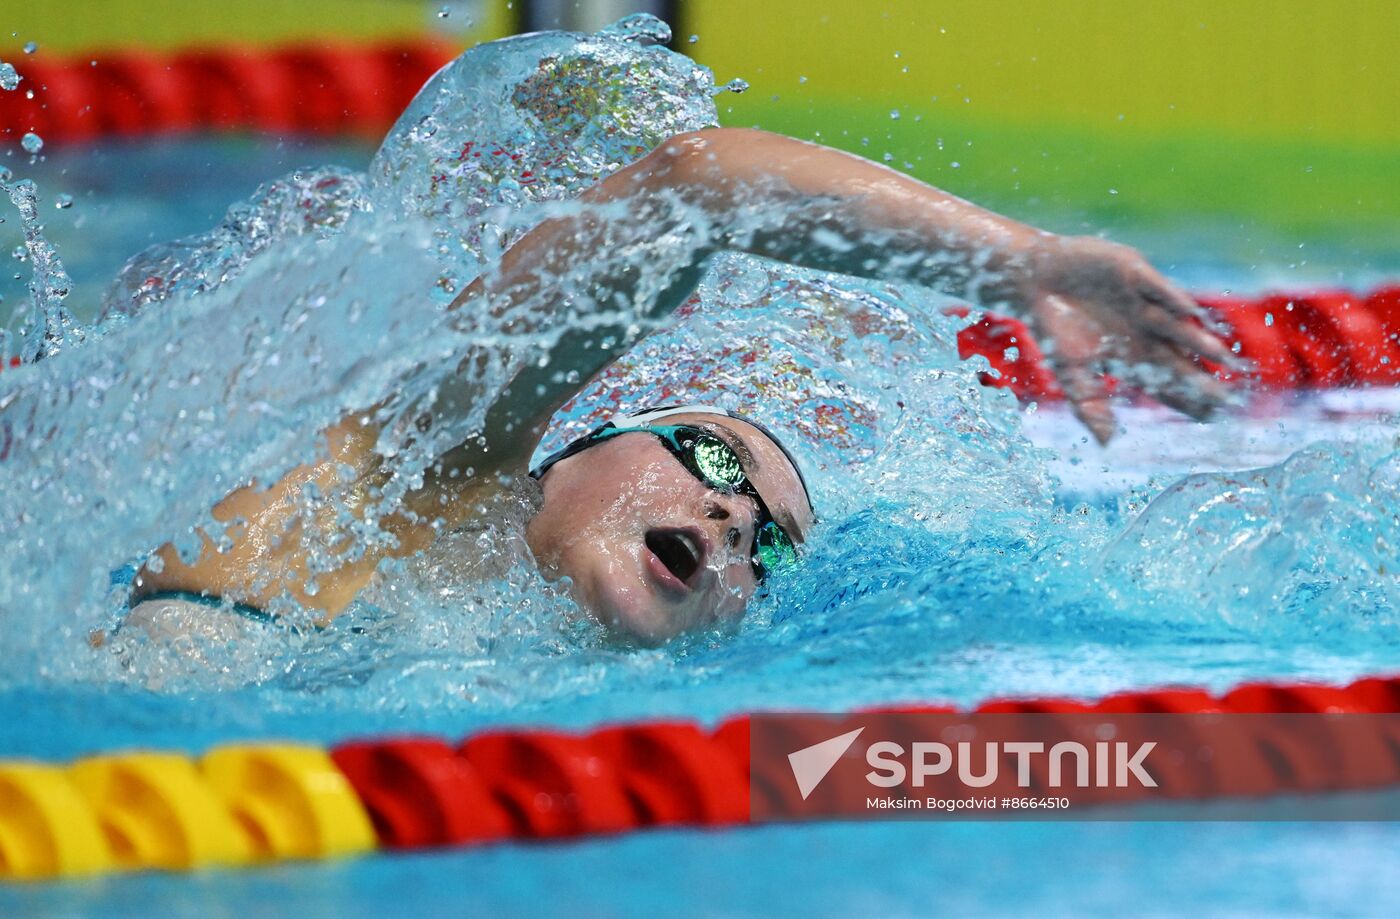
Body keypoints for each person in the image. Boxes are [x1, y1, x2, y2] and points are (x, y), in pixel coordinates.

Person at [126, 127, 1237, 646]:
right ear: (576, 441)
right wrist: (1021, 265)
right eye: (715, 459)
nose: (733, 519)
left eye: (769, 546)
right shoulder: (412, 466)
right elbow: (695, 188)